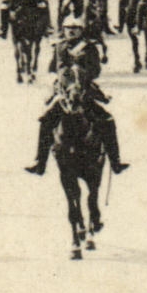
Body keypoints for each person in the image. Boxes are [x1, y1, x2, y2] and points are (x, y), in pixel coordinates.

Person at [24, 16, 129, 175]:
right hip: (64, 92)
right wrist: (63, 79)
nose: (71, 31)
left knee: (107, 120)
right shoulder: (59, 47)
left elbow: (96, 70)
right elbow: (53, 68)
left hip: (84, 92)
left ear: (81, 31)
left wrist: (81, 73)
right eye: (68, 28)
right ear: (64, 30)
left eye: (75, 29)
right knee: (46, 121)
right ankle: (40, 162)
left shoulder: (89, 47)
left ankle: (115, 162)